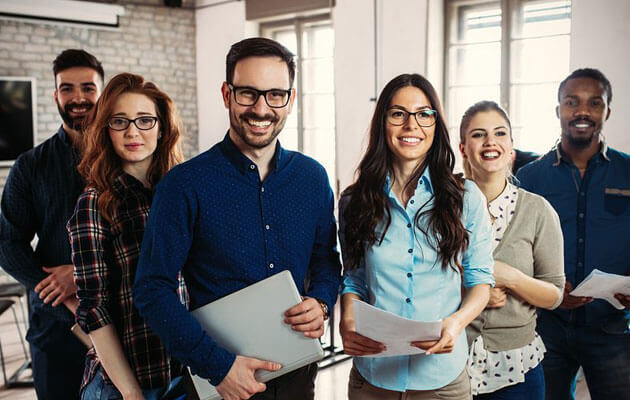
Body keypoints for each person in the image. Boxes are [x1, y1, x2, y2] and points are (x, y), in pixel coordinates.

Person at [132, 37, 342, 400]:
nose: (261, 109)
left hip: (298, 375)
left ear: (290, 100)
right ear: (227, 94)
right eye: (248, 93)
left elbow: (326, 262)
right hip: (220, 381)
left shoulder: (312, 178)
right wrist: (217, 366)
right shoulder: (183, 185)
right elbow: (151, 289)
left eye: (275, 94)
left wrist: (322, 302)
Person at [338, 73, 494, 400]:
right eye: (398, 114)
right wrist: (348, 319)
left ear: (436, 125)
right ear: (383, 123)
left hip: (442, 380)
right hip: (373, 377)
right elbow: (354, 278)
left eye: (424, 114)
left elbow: (481, 281)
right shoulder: (355, 200)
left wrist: (455, 323)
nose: (412, 125)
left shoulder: (466, 198)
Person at [67, 73, 186, 400]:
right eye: (120, 121)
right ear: (106, 129)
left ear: (162, 128)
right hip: (124, 386)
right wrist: (132, 395)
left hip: (185, 376)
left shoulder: (180, 194)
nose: (133, 131)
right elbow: (95, 310)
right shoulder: (94, 204)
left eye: (145, 120)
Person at [516, 68, 630, 399]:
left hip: (612, 328)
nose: (582, 112)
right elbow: (512, 246)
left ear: (607, 110)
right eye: (571, 102)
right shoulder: (530, 177)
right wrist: (545, 289)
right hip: (545, 329)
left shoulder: (628, 172)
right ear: (558, 110)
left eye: (594, 103)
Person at [0, 49, 103, 399]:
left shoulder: (127, 158)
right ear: (55, 95)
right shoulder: (29, 166)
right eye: (67, 88)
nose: (78, 98)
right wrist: (54, 287)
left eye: (88, 88)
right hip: (56, 325)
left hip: (123, 318)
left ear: (102, 94)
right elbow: (7, 243)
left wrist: (81, 275)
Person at [459, 101, 565, 399]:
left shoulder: (537, 210)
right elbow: (417, 279)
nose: (490, 141)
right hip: (449, 364)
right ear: (463, 147)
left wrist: (512, 278)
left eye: (500, 133)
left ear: (511, 147)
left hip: (518, 371)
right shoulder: (440, 207)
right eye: (478, 134)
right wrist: (470, 293)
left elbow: (555, 295)